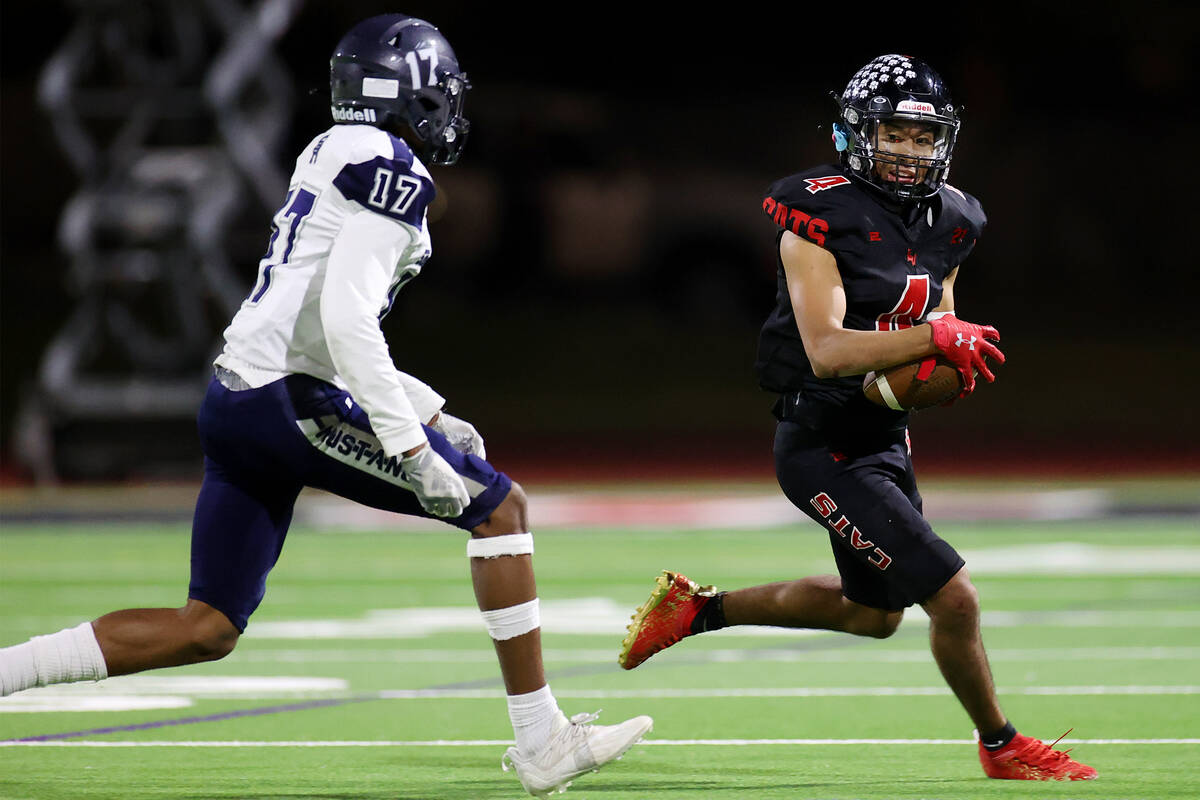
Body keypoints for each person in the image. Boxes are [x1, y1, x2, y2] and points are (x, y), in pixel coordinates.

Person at [0, 14, 651, 797]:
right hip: (284, 400)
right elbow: (342, 321)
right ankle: (542, 739)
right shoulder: (392, 171)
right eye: (438, 93)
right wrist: (411, 445)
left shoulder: (330, 149)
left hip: (237, 391)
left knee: (207, 627)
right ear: (405, 94)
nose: (448, 110)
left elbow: (308, 311)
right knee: (501, 510)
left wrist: (426, 406)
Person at [617, 54, 1096, 782]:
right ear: (855, 134)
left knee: (873, 615)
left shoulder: (955, 219)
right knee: (954, 598)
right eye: (894, 134)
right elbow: (829, 350)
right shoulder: (816, 216)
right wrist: (935, 341)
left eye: (922, 136)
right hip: (821, 442)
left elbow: (941, 318)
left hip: (881, 436)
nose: (909, 150)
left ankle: (696, 611)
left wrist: (941, 369)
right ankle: (1001, 743)